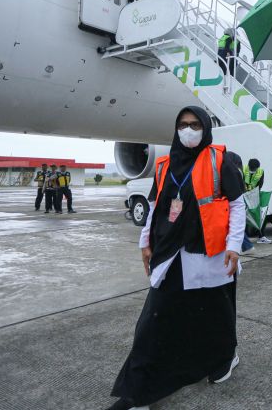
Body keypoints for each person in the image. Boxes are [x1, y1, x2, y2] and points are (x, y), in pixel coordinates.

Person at [107, 106, 245, 410]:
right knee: (153, 322)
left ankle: (225, 358)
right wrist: (145, 242)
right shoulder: (164, 164)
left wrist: (235, 245)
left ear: (205, 127)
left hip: (211, 255)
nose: (189, 130)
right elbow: (156, 207)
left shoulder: (220, 160)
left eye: (195, 124)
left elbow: (237, 204)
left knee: (216, 316)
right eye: (183, 125)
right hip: (171, 254)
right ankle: (138, 392)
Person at [225, 151, 254, 254]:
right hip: (240, 199)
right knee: (233, 224)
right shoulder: (238, 171)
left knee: (231, 224)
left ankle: (247, 246)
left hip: (234, 200)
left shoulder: (231, 171)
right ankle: (247, 246)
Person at [243, 159, 272, 244]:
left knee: (261, 215)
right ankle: (242, 238)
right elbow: (240, 182)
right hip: (243, 196)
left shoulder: (260, 172)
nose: (253, 170)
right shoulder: (243, 169)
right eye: (252, 169)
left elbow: (260, 185)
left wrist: (253, 194)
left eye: (255, 169)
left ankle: (261, 236)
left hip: (253, 196)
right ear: (249, 167)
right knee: (242, 217)